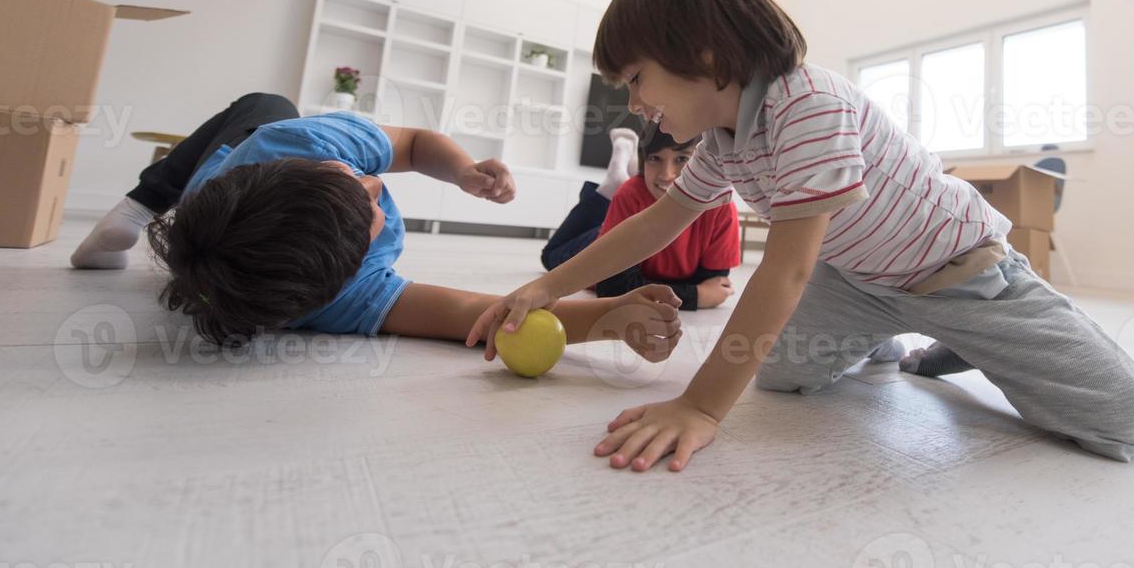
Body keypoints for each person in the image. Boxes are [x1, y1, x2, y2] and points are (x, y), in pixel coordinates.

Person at [470, 0, 1134, 472]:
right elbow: (654, 223)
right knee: (780, 374)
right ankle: (891, 340)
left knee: (1122, 423)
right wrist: (546, 286)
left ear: (703, 54)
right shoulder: (719, 140)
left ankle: (971, 343)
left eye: (636, 79)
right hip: (861, 284)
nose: (634, 103)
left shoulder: (808, 103)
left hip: (962, 275)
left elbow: (786, 271)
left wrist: (701, 405)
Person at [70, 93, 681, 361]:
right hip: (223, 197)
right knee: (265, 106)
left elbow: (413, 143)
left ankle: (135, 207)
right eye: (372, 212)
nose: (373, 185)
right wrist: (607, 319)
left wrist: (464, 172)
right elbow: (473, 311)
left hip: (231, 162)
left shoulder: (301, 142)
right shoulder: (335, 298)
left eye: (351, 178)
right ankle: (138, 209)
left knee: (266, 107)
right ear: (345, 274)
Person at [540, 123, 739, 311]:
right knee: (550, 256)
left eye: (681, 159)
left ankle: (615, 182)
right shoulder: (630, 194)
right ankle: (609, 187)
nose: (667, 174)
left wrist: (643, 285)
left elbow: (715, 284)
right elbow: (611, 287)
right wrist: (696, 296)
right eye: (655, 159)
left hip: (631, 221)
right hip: (606, 236)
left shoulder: (720, 204)